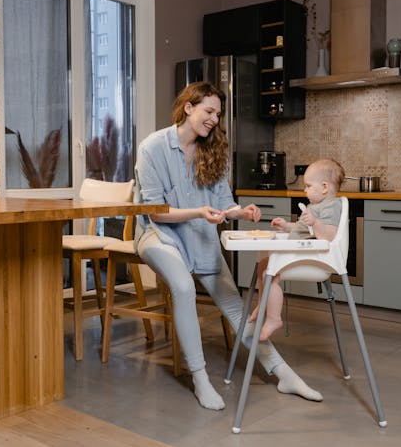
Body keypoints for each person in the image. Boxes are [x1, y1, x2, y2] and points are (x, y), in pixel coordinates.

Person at [133, 81, 323, 411]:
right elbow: (154, 212)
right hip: (159, 235)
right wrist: (198, 212)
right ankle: (200, 378)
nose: (214, 119)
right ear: (188, 107)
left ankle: (282, 373)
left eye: (218, 114)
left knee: (234, 304)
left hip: (199, 234)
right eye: (209, 111)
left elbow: (223, 204)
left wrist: (241, 211)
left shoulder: (214, 150)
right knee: (182, 287)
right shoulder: (153, 147)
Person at [248, 159, 345, 341]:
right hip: (304, 251)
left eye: (308, 186)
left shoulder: (332, 206)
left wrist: (315, 222)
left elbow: (330, 237)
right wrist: (286, 226)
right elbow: (302, 230)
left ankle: (274, 319)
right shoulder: (313, 207)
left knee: (271, 272)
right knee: (263, 265)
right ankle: (263, 304)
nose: (305, 190)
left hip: (316, 258)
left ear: (324, 187)